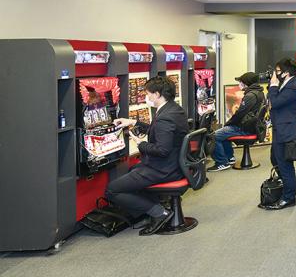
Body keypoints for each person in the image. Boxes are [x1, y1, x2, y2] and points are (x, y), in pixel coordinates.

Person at [107, 76, 189, 236]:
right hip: (174, 164)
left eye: (148, 93)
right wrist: (132, 122)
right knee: (132, 170)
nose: (147, 97)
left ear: (157, 94)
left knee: (112, 190)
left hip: (163, 169)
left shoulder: (164, 117)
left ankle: (159, 213)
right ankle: (154, 208)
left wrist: (140, 144)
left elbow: (162, 150)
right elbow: (158, 130)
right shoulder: (174, 109)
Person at [262, 58, 296, 210]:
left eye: (278, 71)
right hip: (280, 127)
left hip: (285, 129)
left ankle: (288, 197)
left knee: (285, 164)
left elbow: (276, 102)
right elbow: (271, 100)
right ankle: (290, 185)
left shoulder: (293, 85)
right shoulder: (287, 82)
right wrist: (273, 85)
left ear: (287, 72)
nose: (276, 74)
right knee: (276, 159)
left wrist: (273, 85)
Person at [208, 71, 265, 172]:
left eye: (241, 82)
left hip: (245, 128)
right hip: (253, 127)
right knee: (223, 132)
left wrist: (228, 123)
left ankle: (221, 162)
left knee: (214, 136)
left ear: (246, 83)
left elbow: (239, 114)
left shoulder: (250, 96)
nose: (239, 84)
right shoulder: (260, 93)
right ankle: (229, 157)